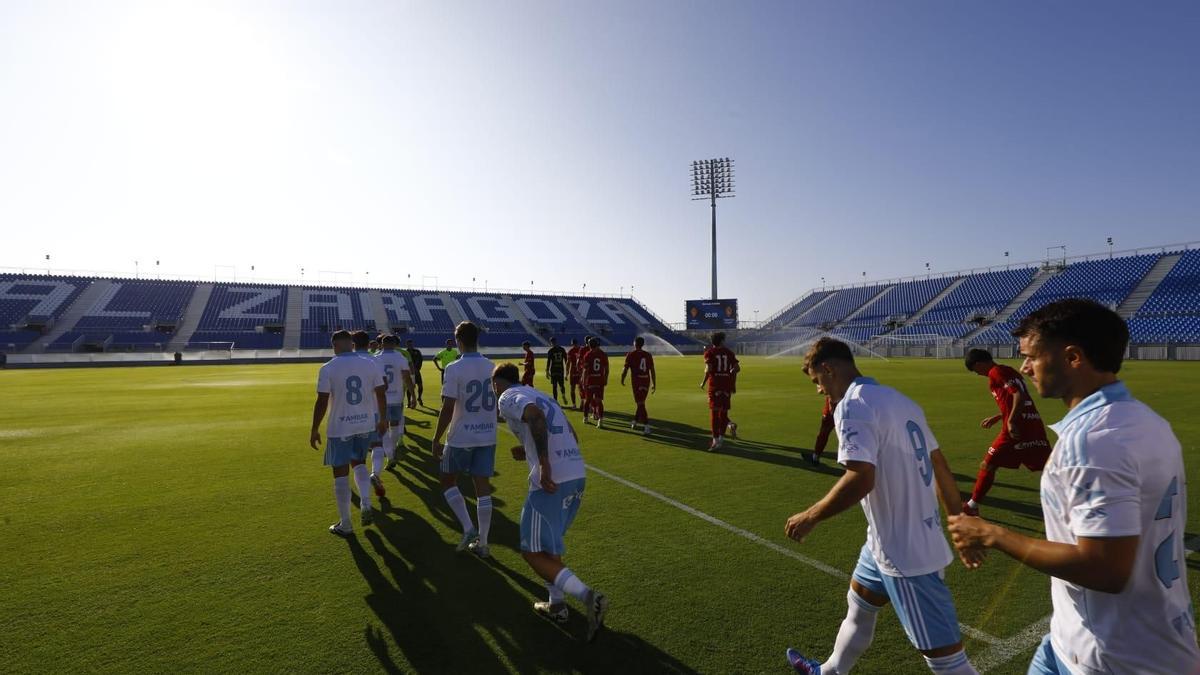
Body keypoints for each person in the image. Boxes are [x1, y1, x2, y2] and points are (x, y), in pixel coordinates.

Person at [948, 299, 1199, 675]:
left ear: (1073, 357)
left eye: (1031, 357)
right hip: (1074, 638)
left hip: (1113, 657)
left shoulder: (1094, 440)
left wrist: (990, 533)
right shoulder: (1147, 421)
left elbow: (1104, 569)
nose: (1025, 368)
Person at [784, 337, 979, 675]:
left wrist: (811, 515)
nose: (819, 391)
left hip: (905, 553)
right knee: (859, 607)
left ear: (828, 369)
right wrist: (957, 522)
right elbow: (941, 467)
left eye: (817, 381)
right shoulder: (901, 400)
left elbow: (861, 478)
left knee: (949, 663)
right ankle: (828, 672)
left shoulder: (852, 404)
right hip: (883, 541)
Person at [493, 362, 608, 642]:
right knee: (547, 545)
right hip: (576, 473)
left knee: (531, 551)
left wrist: (544, 462)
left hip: (553, 479)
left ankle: (589, 597)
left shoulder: (507, 396)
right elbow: (571, 434)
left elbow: (534, 416)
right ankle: (557, 605)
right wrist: (529, 450)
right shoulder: (541, 393)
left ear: (497, 382)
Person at [309, 330, 388, 535]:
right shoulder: (370, 364)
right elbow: (381, 393)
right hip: (365, 424)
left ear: (334, 346)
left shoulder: (328, 367)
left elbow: (322, 401)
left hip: (341, 427)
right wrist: (383, 418)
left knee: (340, 473)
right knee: (359, 463)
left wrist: (315, 428)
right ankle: (366, 501)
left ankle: (346, 523)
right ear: (352, 345)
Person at [431, 322, 498, 557]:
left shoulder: (454, 368)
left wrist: (436, 438)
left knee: (447, 480)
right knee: (483, 487)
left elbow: (448, 406)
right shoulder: (492, 366)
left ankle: (469, 529)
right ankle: (484, 543)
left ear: (458, 341)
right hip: (487, 434)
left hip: (461, 436)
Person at [961, 348, 1051, 516]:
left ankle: (972, 506)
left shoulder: (996, 372)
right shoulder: (1008, 370)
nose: (978, 374)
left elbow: (1019, 396)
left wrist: (1010, 421)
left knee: (988, 464)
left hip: (1015, 429)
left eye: (975, 370)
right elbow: (1018, 399)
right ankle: (1079, 495)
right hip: (1032, 423)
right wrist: (999, 416)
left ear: (979, 364)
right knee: (1050, 466)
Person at [374, 335, 415, 478]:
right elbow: (407, 377)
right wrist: (413, 395)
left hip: (380, 398)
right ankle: (392, 451)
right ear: (394, 344)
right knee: (395, 425)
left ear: (382, 344)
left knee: (383, 427)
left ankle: (390, 455)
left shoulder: (375, 357)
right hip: (397, 396)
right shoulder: (400, 357)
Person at [701, 332, 740, 451]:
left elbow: (709, 369)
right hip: (726, 386)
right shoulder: (729, 353)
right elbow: (737, 368)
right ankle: (721, 439)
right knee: (723, 413)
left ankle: (715, 440)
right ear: (722, 341)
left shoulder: (709, 353)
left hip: (715, 386)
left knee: (714, 414)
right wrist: (731, 378)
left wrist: (703, 382)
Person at [620, 337, 656, 435]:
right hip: (646, 381)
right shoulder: (648, 355)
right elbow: (652, 370)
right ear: (642, 344)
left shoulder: (631, 355)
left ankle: (646, 426)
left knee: (640, 404)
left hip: (637, 382)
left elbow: (625, 369)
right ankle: (635, 421)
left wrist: (622, 379)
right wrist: (654, 383)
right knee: (641, 403)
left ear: (635, 344)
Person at [580, 337, 608, 428]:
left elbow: (585, 370)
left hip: (590, 380)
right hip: (600, 380)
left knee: (588, 400)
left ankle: (585, 418)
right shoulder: (603, 354)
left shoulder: (588, 355)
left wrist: (583, 381)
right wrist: (605, 379)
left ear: (589, 345)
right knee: (599, 401)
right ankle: (600, 420)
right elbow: (607, 369)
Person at [545, 337, 569, 405]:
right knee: (561, 385)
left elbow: (548, 361)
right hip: (560, 369)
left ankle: (555, 401)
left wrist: (547, 371)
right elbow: (566, 360)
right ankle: (563, 395)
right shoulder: (562, 349)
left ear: (551, 343)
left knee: (554, 386)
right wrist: (567, 369)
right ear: (556, 341)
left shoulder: (551, 350)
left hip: (554, 370)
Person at [405, 338, 426, 407]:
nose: (410, 345)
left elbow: (420, 360)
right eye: (408, 344)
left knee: (420, 386)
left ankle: (419, 397)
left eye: (411, 344)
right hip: (409, 372)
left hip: (416, 371)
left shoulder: (417, 351)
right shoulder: (405, 352)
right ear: (406, 345)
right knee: (409, 387)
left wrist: (417, 368)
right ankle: (409, 402)